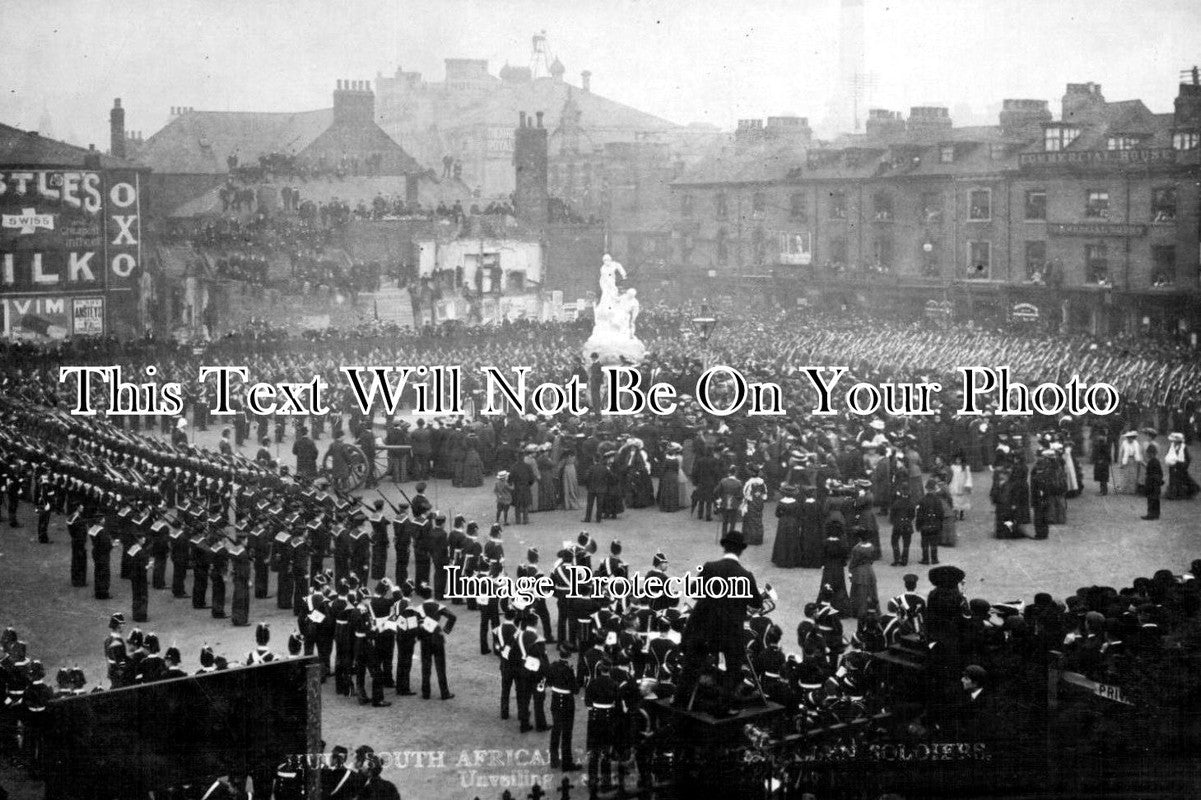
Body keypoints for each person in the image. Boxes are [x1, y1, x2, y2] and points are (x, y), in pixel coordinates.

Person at [675, 530, 762, 711]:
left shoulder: (710, 567)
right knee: (734, 667)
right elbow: (757, 603)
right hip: (730, 634)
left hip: (704, 631)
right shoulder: (746, 575)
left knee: (692, 662)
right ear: (741, 551)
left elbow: (694, 592)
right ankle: (723, 707)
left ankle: (680, 700)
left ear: (724, 548)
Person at [848, 528, 879, 617]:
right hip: (869, 570)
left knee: (859, 593)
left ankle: (859, 612)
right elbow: (872, 560)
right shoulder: (871, 547)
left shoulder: (857, 548)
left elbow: (853, 562)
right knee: (871, 591)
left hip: (859, 572)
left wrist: (850, 571)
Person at [770, 484, 804, 567]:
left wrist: (783, 516)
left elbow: (777, 514)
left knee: (782, 539)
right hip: (793, 522)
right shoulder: (796, 503)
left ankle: (781, 560)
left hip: (783, 522)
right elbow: (799, 514)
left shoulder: (781, 502)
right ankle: (792, 560)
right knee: (792, 539)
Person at [915, 480, 944, 565]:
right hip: (935, 525)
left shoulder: (922, 500)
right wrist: (940, 524)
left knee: (924, 543)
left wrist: (918, 525)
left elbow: (919, 515)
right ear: (934, 489)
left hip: (925, 525)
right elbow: (941, 513)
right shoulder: (938, 500)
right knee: (934, 542)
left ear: (927, 489)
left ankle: (925, 559)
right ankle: (934, 559)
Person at [1165, 432, 1198, 500]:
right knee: (1172, 480)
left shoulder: (1183, 447)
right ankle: (1172, 494)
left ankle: (1181, 493)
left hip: (1181, 467)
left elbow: (1188, 458)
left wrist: (1184, 466)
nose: (1173, 442)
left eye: (1175, 441)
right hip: (1172, 466)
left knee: (1181, 480)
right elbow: (1168, 456)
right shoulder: (1170, 447)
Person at [741, 465, 767, 545]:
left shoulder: (749, 482)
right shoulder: (762, 482)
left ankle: (751, 539)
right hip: (759, 503)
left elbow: (745, 493)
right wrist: (760, 498)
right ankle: (758, 539)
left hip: (751, 503)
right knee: (758, 520)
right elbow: (765, 493)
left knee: (751, 521)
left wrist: (745, 502)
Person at [1142, 443, 1163, 520]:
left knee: (1151, 500)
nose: (1147, 455)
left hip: (1151, 484)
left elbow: (1149, 472)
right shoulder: (1157, 461)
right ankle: (1156, 514)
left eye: (1148, 453)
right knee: (1156, 500)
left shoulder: (1151, 462)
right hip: (1156, 484)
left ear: (1151, 453)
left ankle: (1150, 514)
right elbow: (1160, 473)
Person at [949, 453, 972, 520]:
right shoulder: (953, 467)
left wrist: (968, 484)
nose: (958, 461)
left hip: (962, 484)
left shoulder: (965, 467)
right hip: (954, 484)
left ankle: (962, 513)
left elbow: (968, 476)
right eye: (957, 459)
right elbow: (951, 476)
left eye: (959, 459)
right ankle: (955, 514)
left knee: (962, 500)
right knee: (955, 499)